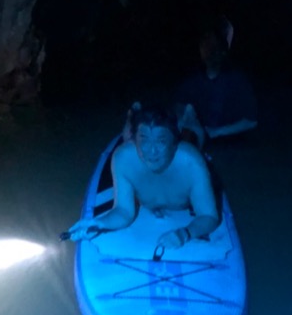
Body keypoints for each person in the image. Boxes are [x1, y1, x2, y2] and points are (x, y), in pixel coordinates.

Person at [65, 106, 220, 252]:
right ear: (136, 140)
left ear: (173, 142)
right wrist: (100, 223)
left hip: (186, 149)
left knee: (195, 136)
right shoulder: (123, 157)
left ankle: (189, 114)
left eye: (161, 142)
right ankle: (132, 113)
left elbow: (209, 215)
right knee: (126, 137)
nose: (152, 151)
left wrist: (186, 233)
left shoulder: (191, 162)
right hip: (132, 145)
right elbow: (124, 211)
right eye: (144, 140)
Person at [174, 17, 258, 149]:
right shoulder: (192, 79)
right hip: (197, 140)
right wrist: (184, 119)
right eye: (205, 45)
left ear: (223, 51)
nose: (209, 50)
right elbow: (179, 106)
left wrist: (217, 132)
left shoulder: (238, 81)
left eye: (214, 46)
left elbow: (251, 121)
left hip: (232, 145)